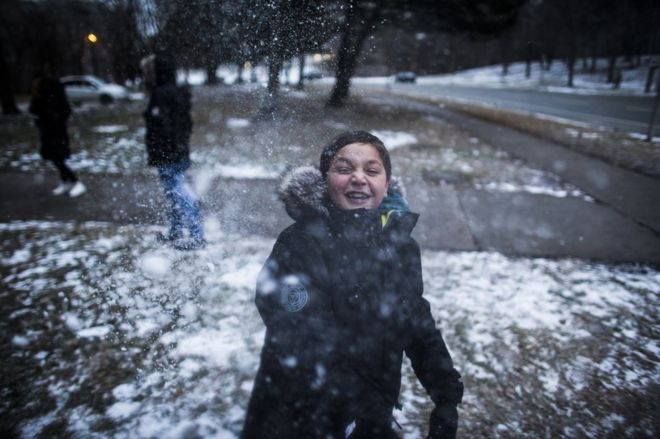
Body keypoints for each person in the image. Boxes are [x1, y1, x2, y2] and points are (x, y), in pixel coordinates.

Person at [242, 131, 463, 438]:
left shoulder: (400, 246)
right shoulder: (299, 244)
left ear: (386, 185)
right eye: (344, 169)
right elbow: (301, 337)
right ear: (325, 181)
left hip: (369, 412)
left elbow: (415, 318)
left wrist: (446, 395)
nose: (358, 178)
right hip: (299, 415)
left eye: (372, 171)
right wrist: (360, 404)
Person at [142, 54, 205, 250]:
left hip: (168, 154)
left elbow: (163, 127)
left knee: (178, 193)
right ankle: (177, 230)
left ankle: (197, 236)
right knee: (174, 193)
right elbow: (184, 124)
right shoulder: (175, 92)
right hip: (177, 151)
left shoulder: (161, 94)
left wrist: (165, 148)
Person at [29, 71, 86, 197]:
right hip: (48, 130)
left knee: (58, 158)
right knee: (56, 159)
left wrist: (52, 117)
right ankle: (66, 181)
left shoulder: (51, 93)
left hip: (55, 131)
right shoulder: (41, 95)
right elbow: (34, 108)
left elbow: (63, 110)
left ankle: (75, 181)